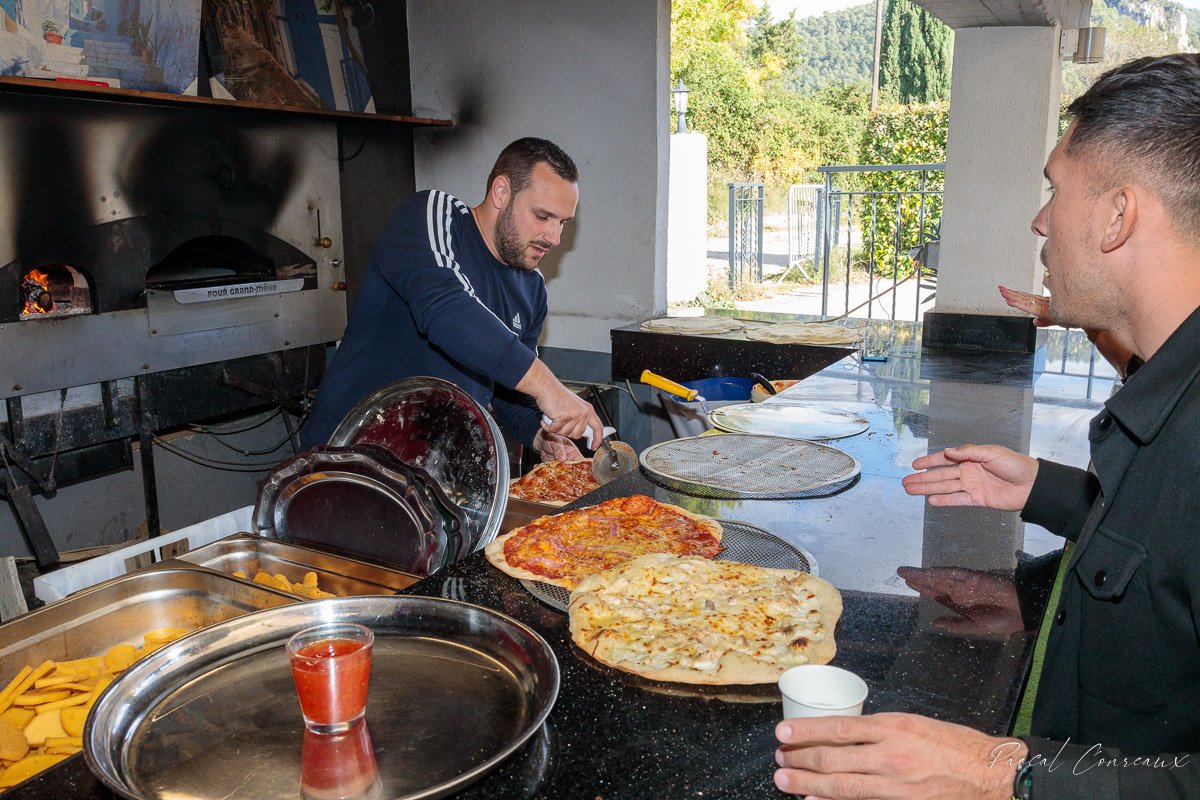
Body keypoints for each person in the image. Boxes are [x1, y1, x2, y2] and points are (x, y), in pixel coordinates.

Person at [775, 53, 1200, 799]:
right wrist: (1046, 516)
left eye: (1055, 190)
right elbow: (1164, 556)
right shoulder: (1168, 394)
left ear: (1118, 215)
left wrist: (998, 773)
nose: (1040, 220)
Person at [300, 137, 604, 461]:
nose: (554, 237)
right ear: (501, 192)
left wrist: (540, 436)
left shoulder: (532, 290)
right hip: (346, 458)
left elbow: (508, 392)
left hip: (430, 472)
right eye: (542, 216)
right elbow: (445, 308)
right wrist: (548, 386)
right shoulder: (435, 216)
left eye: (562, 223)